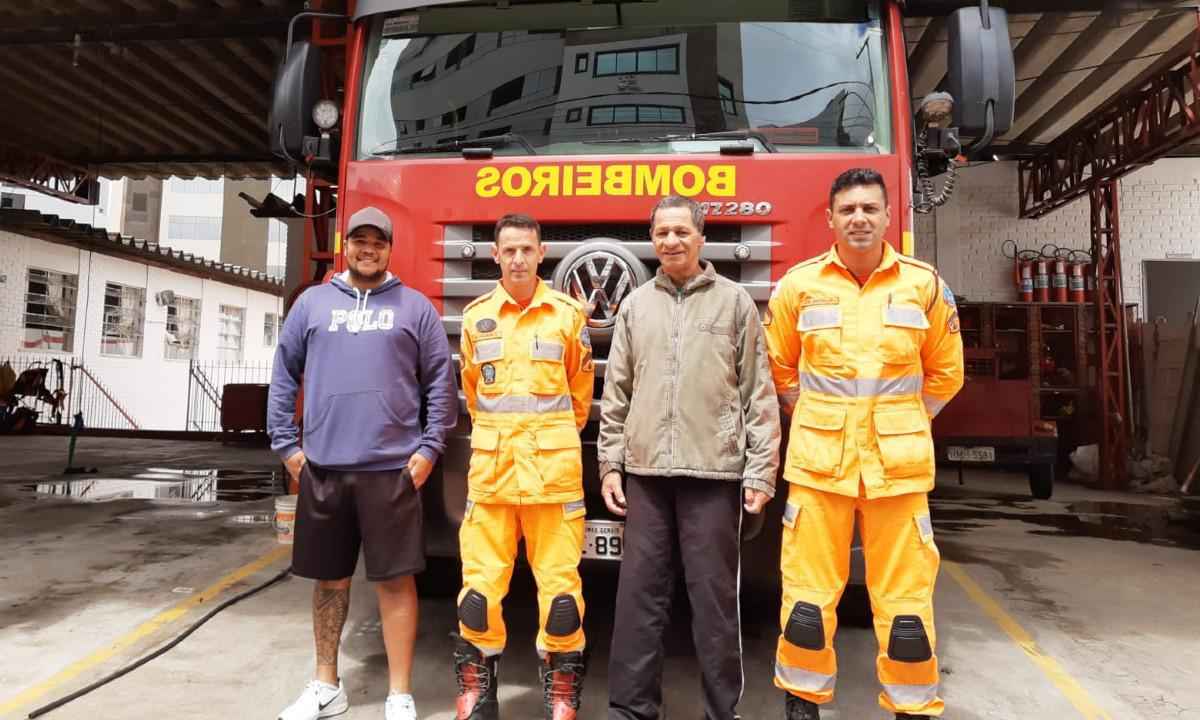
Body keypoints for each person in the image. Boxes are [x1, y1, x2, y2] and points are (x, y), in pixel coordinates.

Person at [763, 168, 964, 720]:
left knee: (905, 604)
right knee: (806, 597)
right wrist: (814, 416)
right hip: (818, 468)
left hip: (896, 471)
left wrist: (902, 423)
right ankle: (803, 704)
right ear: (829, 219)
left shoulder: (923, 286)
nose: (859, 219)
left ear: (888, 217)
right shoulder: (799, 287)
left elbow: (947, 374)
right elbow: (778, 367)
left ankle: (911, 707)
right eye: (848, 209)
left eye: (870, 209)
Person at [268, 206, 458, 720]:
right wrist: (287, 447)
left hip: (391, 471)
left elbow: (442, 385)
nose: (367, 249)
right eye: (359, 240)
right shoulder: (311, 304)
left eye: (377, 241)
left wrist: (427, 451)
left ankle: (399, 694)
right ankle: (326, 687)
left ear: (389, 248)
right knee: (329, 580)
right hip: (323, 469)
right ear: (344, 245)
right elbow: (284, 375)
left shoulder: (415, 308)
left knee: (396, 582)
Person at [600, 195, 781, 720]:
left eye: (682, 232)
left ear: (701, 239)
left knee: (715, 607)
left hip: (714, 474)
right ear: (652, 240)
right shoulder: (636, 305)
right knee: (638, 604)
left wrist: (760, 471)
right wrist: (611, 463)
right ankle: (631, 710)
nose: (671, 241)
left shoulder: (734, 304)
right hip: (648, 477)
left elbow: (757, 394)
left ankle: (721, 712)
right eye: (662, 233)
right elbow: (618, 393)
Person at [454, 213, 595, 720]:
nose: (517, 258)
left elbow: (580, 397)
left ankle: (560, 697)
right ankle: (477, 692)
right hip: (491, 480)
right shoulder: (475, 318)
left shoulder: (567, 315)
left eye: (526, 250)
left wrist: (546, 442)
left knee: (560, 597)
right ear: (495, 255)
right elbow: (474, 395)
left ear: (542, 254)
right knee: (478, 594)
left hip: (552, 481)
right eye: (508, 250)